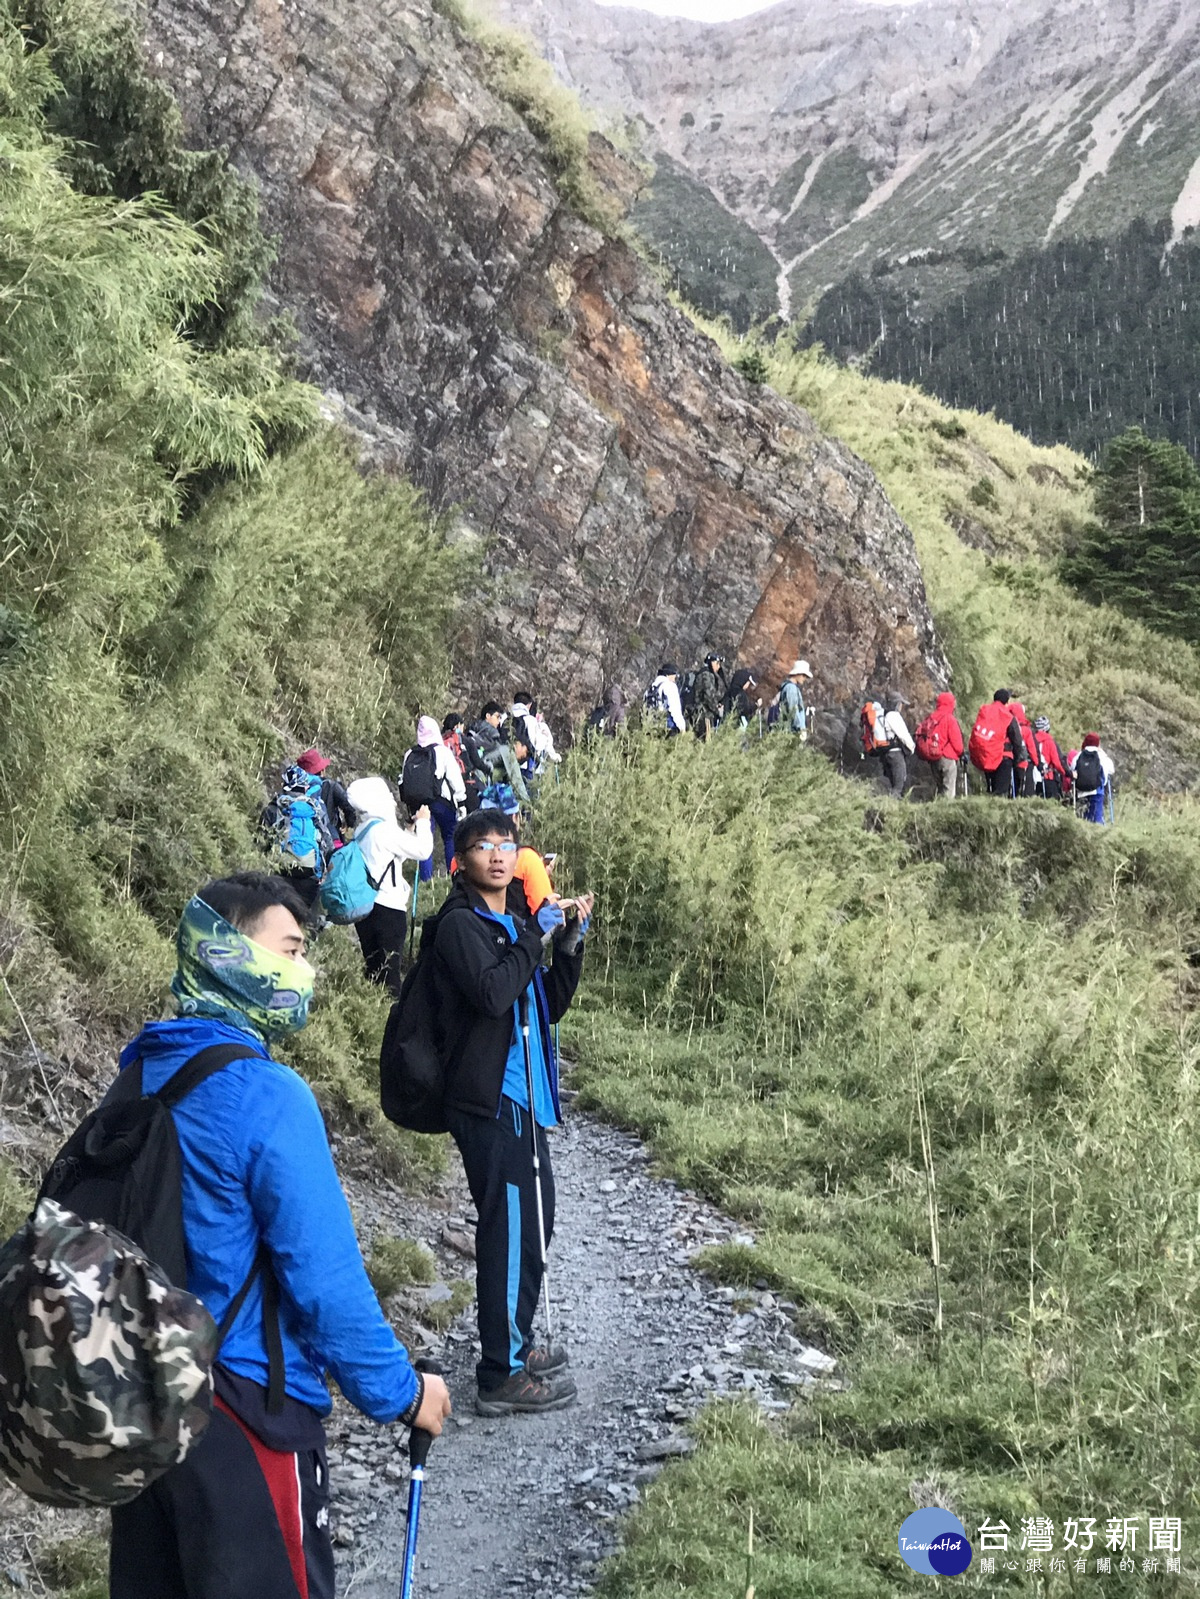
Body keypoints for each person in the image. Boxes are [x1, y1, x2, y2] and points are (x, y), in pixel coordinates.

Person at [108, 873, 450, 1599]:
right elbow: (326, 1284)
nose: (304, 970)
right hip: (244, 1414)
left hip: (142, 1409)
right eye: (290, 949)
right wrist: (402, 1393)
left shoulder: (138, 1072)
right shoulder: (269, 1095)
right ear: (229, 952)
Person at [430, 810, 592, 1415]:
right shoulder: (458, 927)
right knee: (509, 1229)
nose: (497, 856)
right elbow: (493, 994)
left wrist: (567, 944)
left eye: (506, 845)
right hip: (489, 1099)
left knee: (535, 1224)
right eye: (481, 846)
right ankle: (498, 1373)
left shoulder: (508, 922)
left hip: (525, 1099)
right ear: (461, 860)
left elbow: (542, 1004)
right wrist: (535, 936)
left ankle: (516, 1345)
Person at [345, 777, 432, 996]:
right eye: (389, 796)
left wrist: (409, 832)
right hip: (389, 909)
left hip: (366, 907)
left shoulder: (363, 829)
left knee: (374, 969)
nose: (393, 801)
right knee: (390, 974)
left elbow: (391, 858)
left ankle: (369, 1011)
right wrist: (423, 822)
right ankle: (391, 1017)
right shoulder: (384, 830)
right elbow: (423, 851)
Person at [402, 716, 466, 881]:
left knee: (424, 838)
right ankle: (454, 875)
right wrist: (461, 801)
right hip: (441, 802)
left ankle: (425, 879)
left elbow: (404, 780)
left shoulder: (409, 753)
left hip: (420, 805)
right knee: (450, 836)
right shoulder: (442, 751)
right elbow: (455, 779)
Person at [467, 703, 531, 810]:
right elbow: (516, 778)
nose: (498, 721)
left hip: (470, 776)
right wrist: (527, 802)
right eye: (497, 717)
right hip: (478, 778)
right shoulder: (496, 738)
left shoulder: (474, 731)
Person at [969, 690, 1027, 797]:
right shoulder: (1008, 716)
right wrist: (1017, 759)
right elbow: (1017, 741)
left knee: (991, 789)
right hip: (1003, 757)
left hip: (986, 755)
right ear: (1006, 701)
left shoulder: (984, 710)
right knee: (1001, 792)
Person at [297, 748, 356, 840]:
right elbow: (349, 806)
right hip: (329, 836)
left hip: (303, 836)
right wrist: (348, 823)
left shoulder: (296, 787)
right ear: (322, 770)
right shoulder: (331, 786)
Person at [915, 690, 964, 797]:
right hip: (947, 757)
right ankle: (947, 810)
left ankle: (939, 807)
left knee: (940, 787)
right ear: (950, 703)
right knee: (948, 788)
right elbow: (957, 744)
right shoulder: (949, 719)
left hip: (933, 757)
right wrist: (960, 753)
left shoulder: (931, 717)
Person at [1071, 732, 1115, 823]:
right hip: (1097, 792)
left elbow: (1072, 769)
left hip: (1081, 792)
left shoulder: (1078, 756)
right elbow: (1111, 769)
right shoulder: (1101, 756)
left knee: (1083, 820)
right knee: (1096, 820)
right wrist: (1103, 752)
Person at [879, 691, 915, 797]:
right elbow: (903, 735)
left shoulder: (883, 715)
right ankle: (892, 808)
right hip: (896, 754)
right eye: (900, 704)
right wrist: (911, 748)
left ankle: (888, 805)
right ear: (896, 704)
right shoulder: (894, 716)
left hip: (886, 753)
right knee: (899, 784)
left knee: (891, 782)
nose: (901, 707)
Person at [689, 652, 728, 739]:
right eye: (718, 663)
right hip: (704, 715)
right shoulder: (707, 675)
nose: (719, 666)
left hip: (700, 714)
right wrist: (717, 711)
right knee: (705, 741)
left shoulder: (703, 673)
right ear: (712, 662)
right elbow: (709, 697)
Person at [1030, 715, 1068, 800]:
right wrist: (1063, 772)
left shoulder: (1032, 739)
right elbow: (1056, 762)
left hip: (1033, 777)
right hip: (1048, 776)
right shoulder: (1049, 742)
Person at [644, 663, 686, 735]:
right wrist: (682, 727)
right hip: (667, 728)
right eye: (674, 675)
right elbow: (675, 709)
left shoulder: (651, 687)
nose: (675, 678)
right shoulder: (670, 686)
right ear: (669, 675)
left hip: (651, 726)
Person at [777, 660, 813, 738]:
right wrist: (800, 729)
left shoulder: (789, 687)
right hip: (792, 732)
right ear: (797, 674)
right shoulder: (791, 688)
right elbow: (792, 709)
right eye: (803, 675)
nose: (805, 678)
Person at [1010, 699, 1039, 797]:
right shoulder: (1026, 730)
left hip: (1009, 761)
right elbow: (1031, 748)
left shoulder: (1008, 727)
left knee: (1012, 788)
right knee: (1021, 789)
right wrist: (1036, 762)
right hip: (1023, 763)